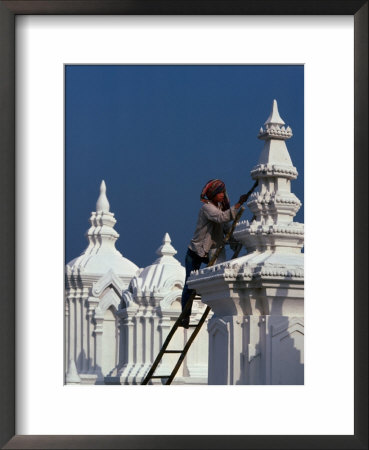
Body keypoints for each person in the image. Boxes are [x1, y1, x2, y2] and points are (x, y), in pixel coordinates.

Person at [179, 179, 255, 328]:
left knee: (217, 274)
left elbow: (226, 226)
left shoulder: (221, 208)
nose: (222, 195)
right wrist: (239, 204)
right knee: (190, 284)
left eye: (223, 192)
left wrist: (237, 240)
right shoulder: (207, 208)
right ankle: (185, 317)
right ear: (212, 194)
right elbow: (222, 218)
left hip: (212, 250)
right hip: (196, 251)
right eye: (219, 193)